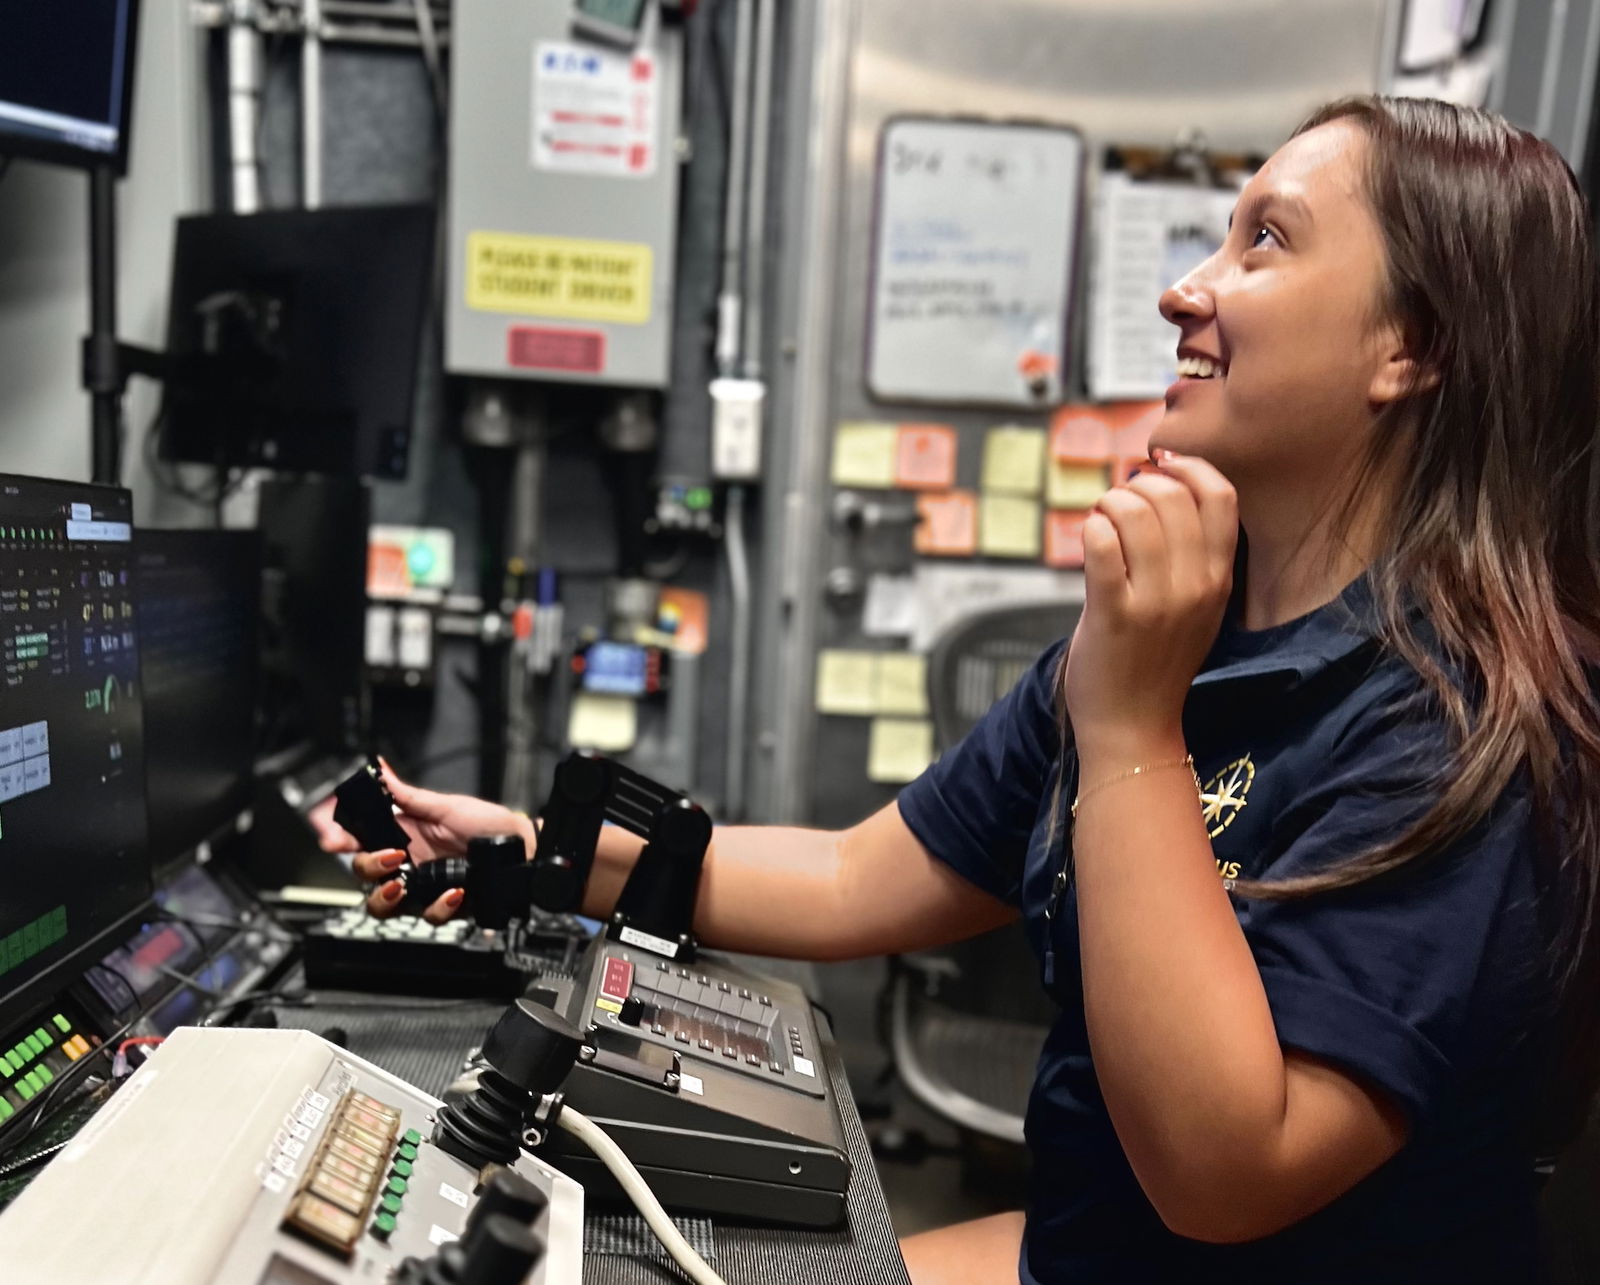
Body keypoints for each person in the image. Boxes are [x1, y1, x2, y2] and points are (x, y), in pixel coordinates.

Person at [315, 96, 1600, 1283]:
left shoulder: (1464, 733)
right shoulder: (1175, 644)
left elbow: (1227, 1175)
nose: (1183, 290)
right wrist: (534, 856)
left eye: (1264, 242)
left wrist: (1131, 725)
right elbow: (850, 879)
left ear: (1410, 346)